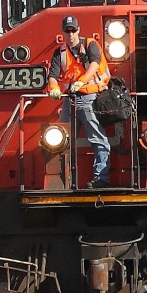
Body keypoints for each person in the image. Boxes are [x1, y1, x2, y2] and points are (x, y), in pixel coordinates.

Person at [47, 15, 111, 188]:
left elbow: (95, 64)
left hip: (90, 99)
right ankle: (59, 179)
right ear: (63, 33)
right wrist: (53, 87)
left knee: (97, 138)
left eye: (73, 30)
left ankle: (101, 178)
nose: (70, 34)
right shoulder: (59, 53)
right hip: (70, 99)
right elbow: (52, 76)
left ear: (78, 30)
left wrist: (82, 81)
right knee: (60, 138)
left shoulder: (91, 45)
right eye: (67, 31)